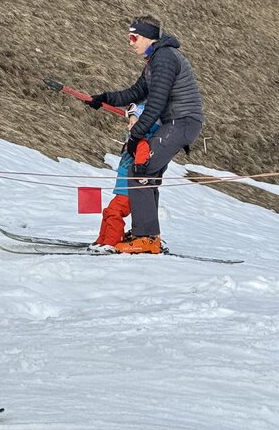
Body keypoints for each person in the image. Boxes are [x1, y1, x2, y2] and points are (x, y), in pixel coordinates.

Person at [86, 16, 205, 254]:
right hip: (175, 123)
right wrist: (105, 98)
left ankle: (146, 237)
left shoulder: (164, 58)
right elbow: (137, 92)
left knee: (140, 169)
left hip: (181, 122)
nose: (131, 42)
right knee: (146, 172)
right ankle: (149, 235)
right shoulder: (155, 59)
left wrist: (135, 135)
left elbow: (156, 104)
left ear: (149, 37)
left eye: (134, 37)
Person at [95, 104, 160, 248]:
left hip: (128, 191)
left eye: (132, 123)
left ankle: (112, 242)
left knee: (114, 213)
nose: (128, 126)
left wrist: (140, 171)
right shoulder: (134, 141)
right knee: (108, 212)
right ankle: (102, 240)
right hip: (122, 190)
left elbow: (141, 159)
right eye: (129, 123)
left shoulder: (141, 143)